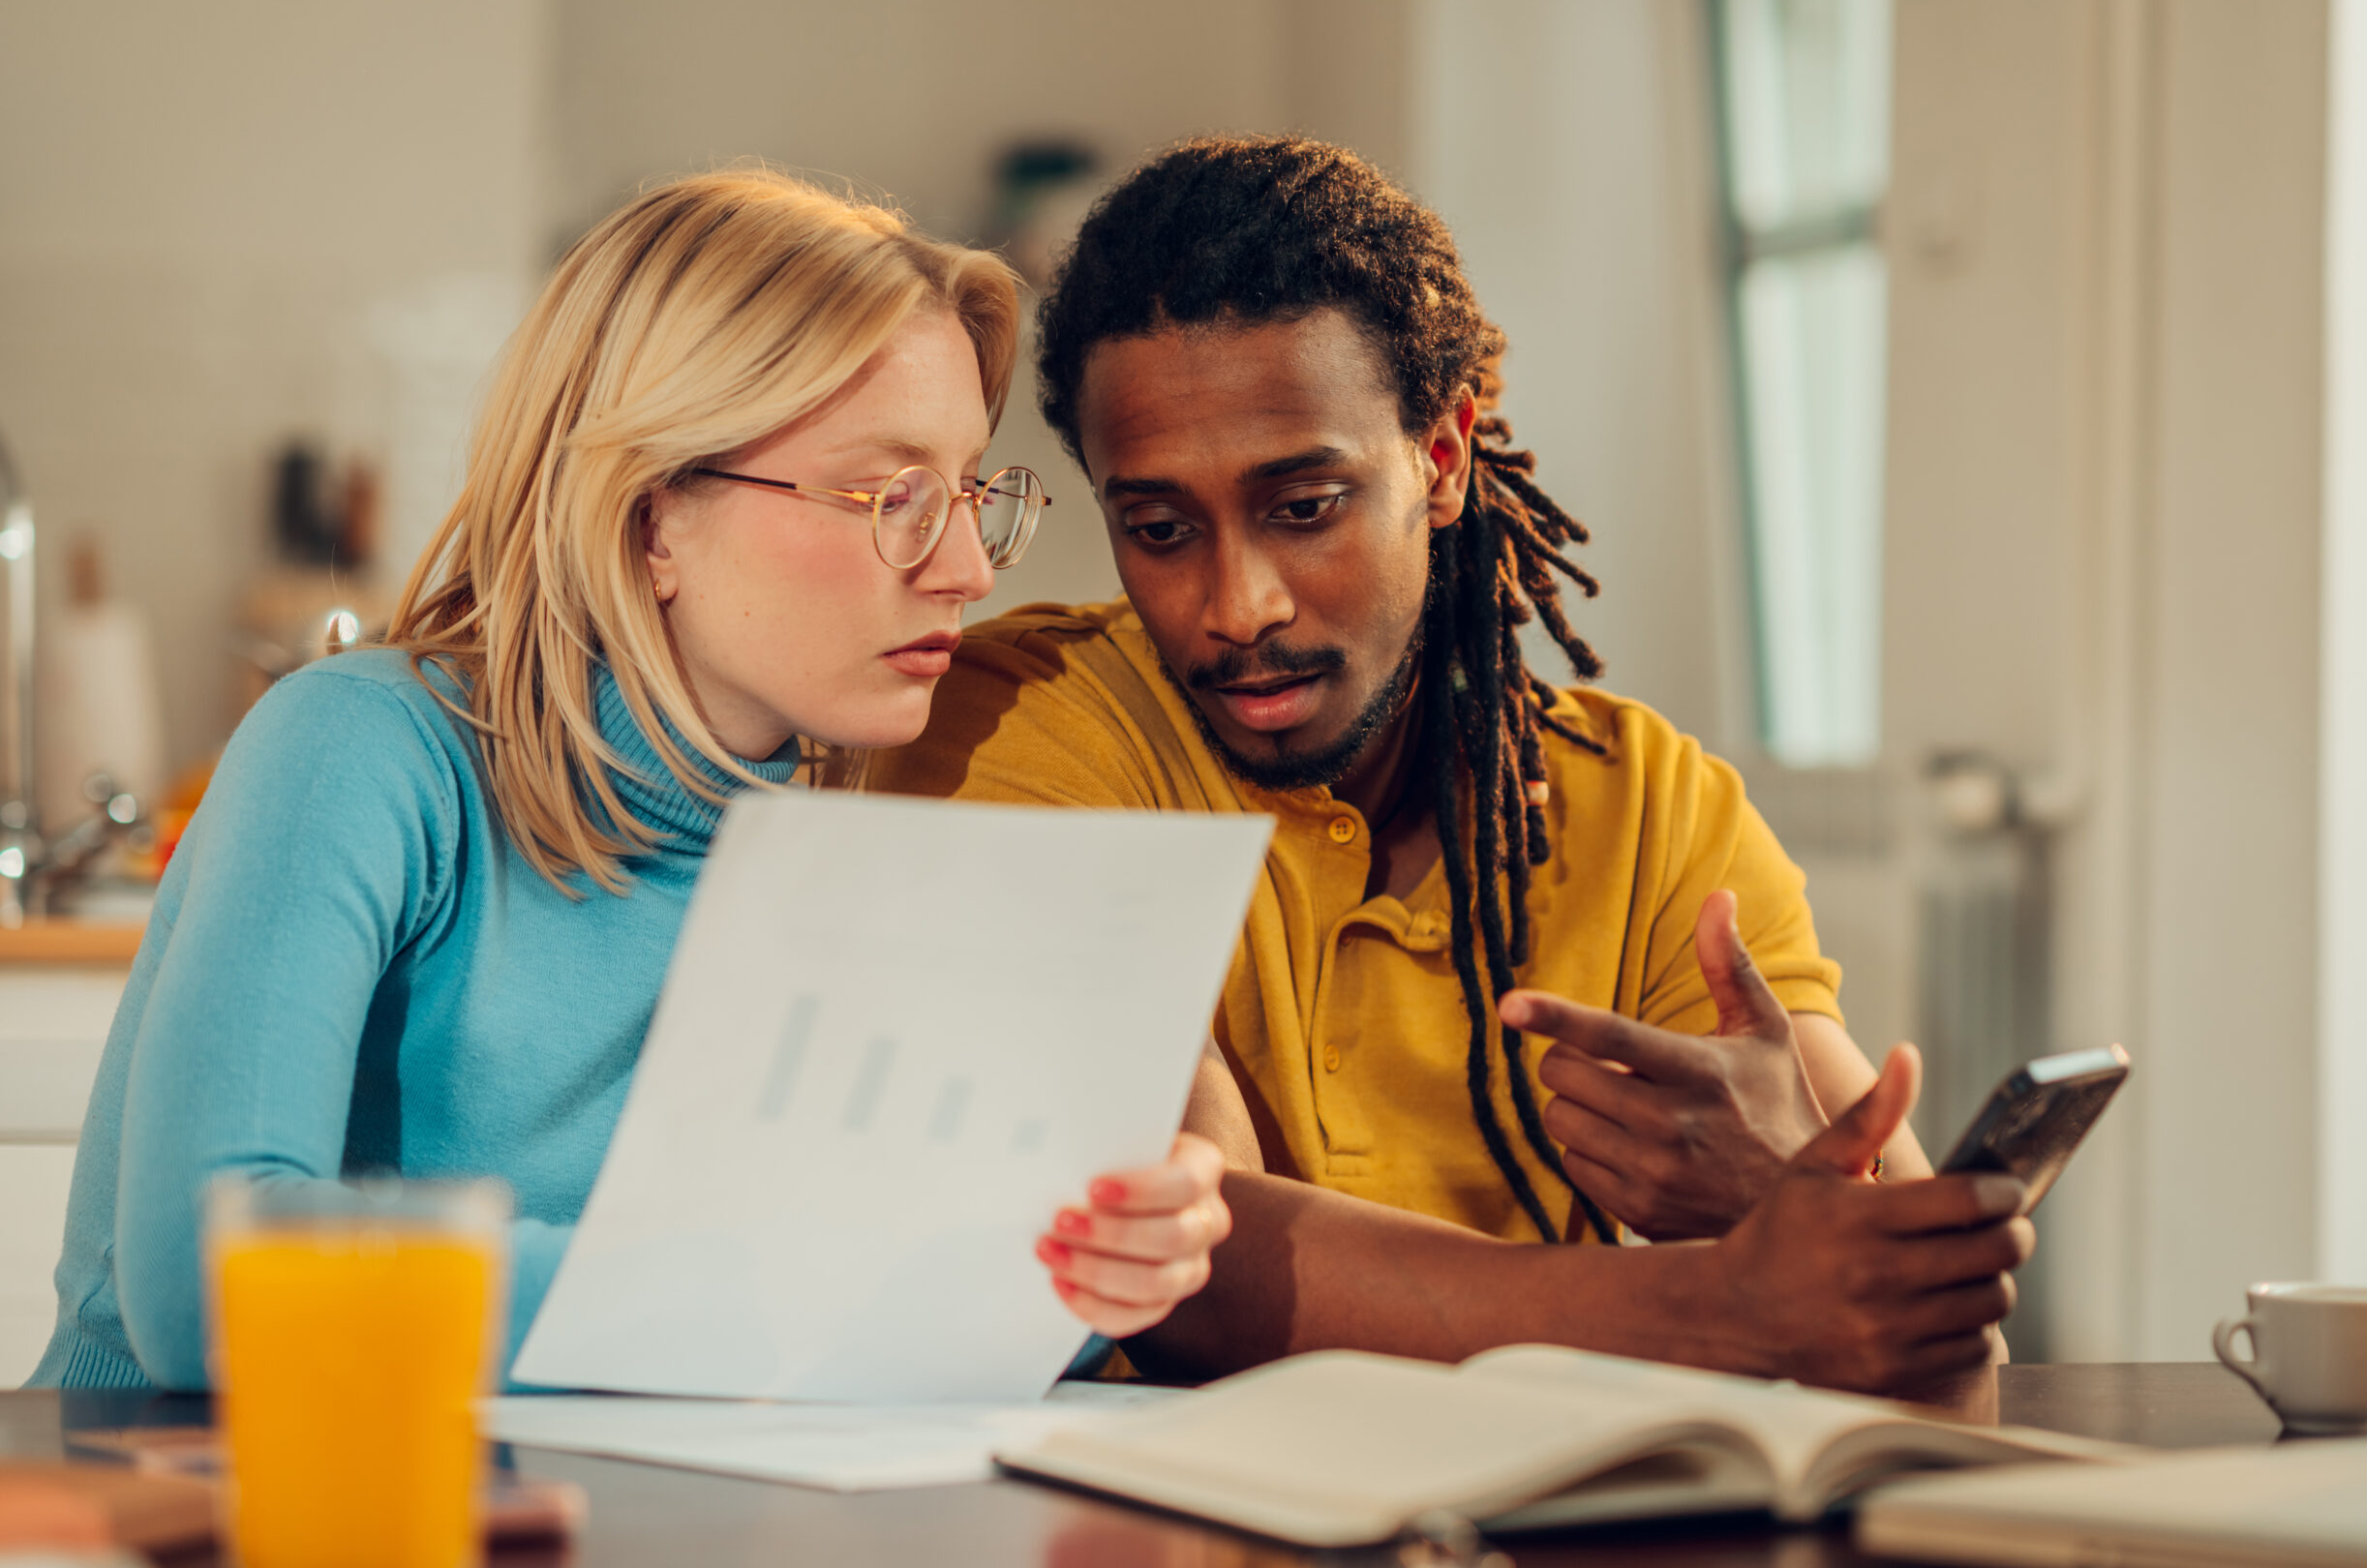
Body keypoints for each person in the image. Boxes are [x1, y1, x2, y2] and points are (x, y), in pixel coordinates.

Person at [29, 170, 1229, 1391]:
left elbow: (891, 1300)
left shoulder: (829, 857)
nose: (968, 567)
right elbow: (206, 1278)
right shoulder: (363, 751)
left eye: (969, 491)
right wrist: (769, 1283)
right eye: (891, 495)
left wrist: (1099, 1262)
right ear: (653, 517)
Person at [874, 136, 2030, 1396]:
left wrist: (1784, 1199)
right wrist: (1724, 1300)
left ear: (1443, 455)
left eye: (1304, 505)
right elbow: (1179, 1256)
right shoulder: (1020, 725)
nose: (1236, 602)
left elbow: (1938, 1336)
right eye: (1158, 529)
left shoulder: (1651, 806)